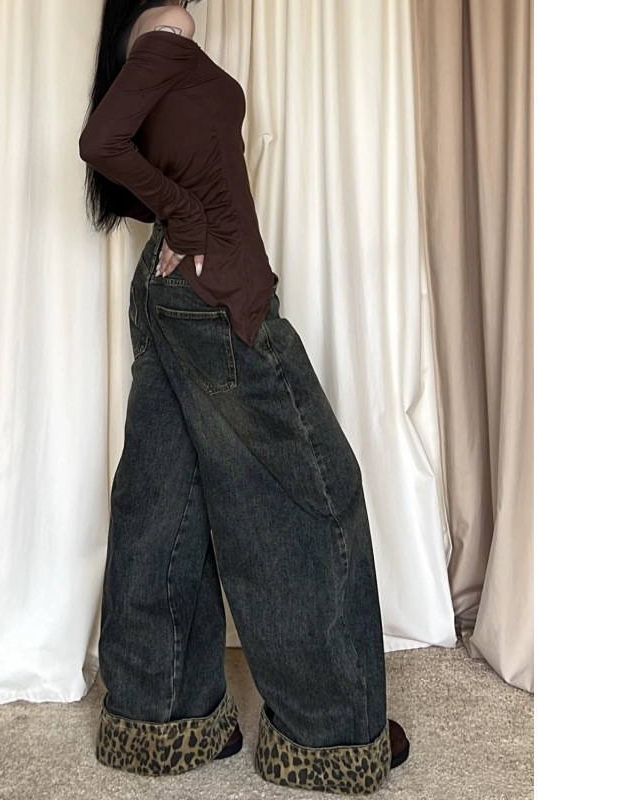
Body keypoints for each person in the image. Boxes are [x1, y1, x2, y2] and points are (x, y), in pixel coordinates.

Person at [78, 1, 410, 793]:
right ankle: (330, 737)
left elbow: (132, 149)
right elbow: (101, 143)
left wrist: (178, 221)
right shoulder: (167, 34)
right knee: (312, 493)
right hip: (214, 293)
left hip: (175, 288)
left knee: (165, 496)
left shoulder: (146, 43)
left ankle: (161, 722)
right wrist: (189, 221)